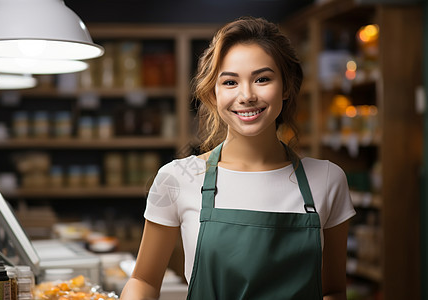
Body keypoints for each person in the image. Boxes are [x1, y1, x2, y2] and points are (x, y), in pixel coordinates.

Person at [120, 16, 355, 300]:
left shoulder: (328, 179)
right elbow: (143, 280)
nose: (246, 95)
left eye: (262, 79)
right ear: (212, 93)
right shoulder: (176, 179)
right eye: (230, 82)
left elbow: (332, 291)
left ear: (287, 87)